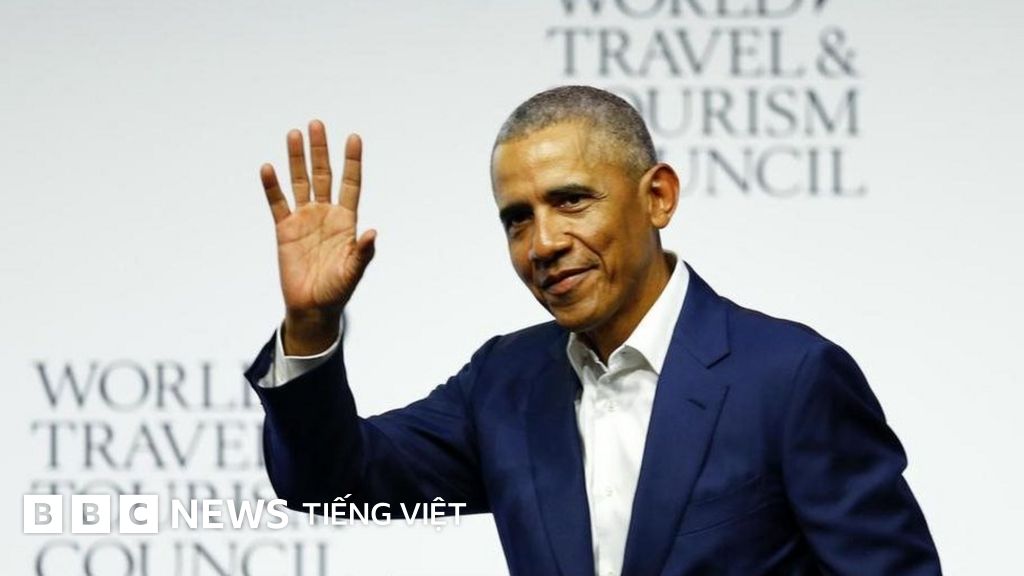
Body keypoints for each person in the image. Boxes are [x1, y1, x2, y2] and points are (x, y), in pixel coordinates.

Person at [244, 86, 941, 575]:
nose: (543, 243)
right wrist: (311, 324)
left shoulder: (788, 377)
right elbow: (334, 483)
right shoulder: (504, 384)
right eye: (517, 219)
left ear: (658, 197)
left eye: (571, 200)